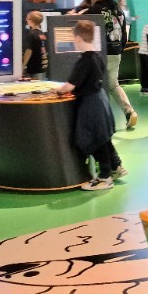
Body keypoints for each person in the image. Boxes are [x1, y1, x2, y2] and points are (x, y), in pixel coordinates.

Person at [54, 21, 127, 191]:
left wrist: (57, 90)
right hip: (101, 100)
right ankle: (116, 166)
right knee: (103, 137)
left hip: (90, 104)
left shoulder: (84, 61)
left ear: (78, 38)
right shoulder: (97, 57)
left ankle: (104, 177)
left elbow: (69, 86)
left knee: (95, 140)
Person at [81, 0, 138, 130]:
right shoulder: (118, 10)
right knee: (113, 84)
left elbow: (81, 26)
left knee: (93, 84)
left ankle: (98, 121)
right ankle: (129, 112)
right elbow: (125, 33)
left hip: (100, 53)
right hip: (116, 51)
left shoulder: (94, 10)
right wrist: (120, 48)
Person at [22, 10, 48, 80]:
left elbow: (29, 51)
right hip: (42, 66)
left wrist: (23, 66)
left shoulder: (31, 34)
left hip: (33, 67)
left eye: (27, 18)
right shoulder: (42, 34)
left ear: (32, 21)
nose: (26, 20)